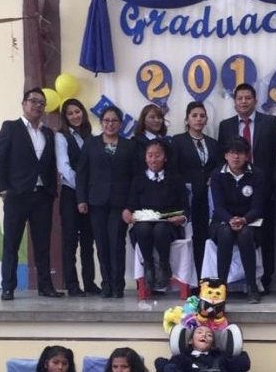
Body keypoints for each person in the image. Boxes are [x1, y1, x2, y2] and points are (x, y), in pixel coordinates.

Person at [0, 87, 62, 300]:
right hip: (16, 195)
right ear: (23, 104)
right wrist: (3, 189)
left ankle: (45, 287)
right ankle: (8, 287)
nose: (37, 106)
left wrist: (51, 191)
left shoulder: (48, 133)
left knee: (42, 244)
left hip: (42, 196)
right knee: (11, 243)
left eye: (41, 103)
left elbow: (50, 164)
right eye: (33, 101)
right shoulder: (10, 128)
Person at [218, 84, 276, 293]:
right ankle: (222, 286)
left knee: (267, 236)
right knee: (232, 233)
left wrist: (272, 186)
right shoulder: (225, 126)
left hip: (264, 189)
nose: (243, 101)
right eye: (240, 98)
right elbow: (222, 157)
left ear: (255, 100)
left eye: (248, 98)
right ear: (234, 102)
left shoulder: (270, 122)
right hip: (232, 190)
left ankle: (265, 280)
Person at [77, 106, 136, 298]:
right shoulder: (90, 144)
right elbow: (82, 173)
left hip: (120, 203)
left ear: (120, 124)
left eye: (114, 121)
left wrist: (131, 205)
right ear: (101, 123)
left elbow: (135, 178)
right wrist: (81, 199)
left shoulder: (129, 146)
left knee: (117, 243)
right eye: (106, 121)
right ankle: (106, 284)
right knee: (101, 244)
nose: (110, 124)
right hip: (97, 202)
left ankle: (118, 285)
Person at [125, 139, 188, 292]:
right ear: (145, 157)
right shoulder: (138, 179)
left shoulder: (175, 179)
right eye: (150, 155)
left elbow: (185, 207)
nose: (153, 159)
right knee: (143, 229)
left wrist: (181, 217)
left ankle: (164, 267)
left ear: (165, 157)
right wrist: (127, 212)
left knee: (160, 229)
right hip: (144, 223)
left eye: (158, 155)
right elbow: (131, 205)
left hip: (168, 225)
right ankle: (148, 266)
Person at [209, 136, 267, 302]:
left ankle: (252, 287)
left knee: (245, 234)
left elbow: (257, 207)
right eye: (232, 153)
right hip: (222, 221)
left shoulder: (257, 174)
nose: (236, 157)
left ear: (247, 156)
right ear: (225, 155)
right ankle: (220, 287)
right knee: (226, 234)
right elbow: (218, 207)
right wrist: (230, 220)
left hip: (250, 221)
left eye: (240, 153)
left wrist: (243, 220)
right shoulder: (217, 175)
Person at [55, 99, 99, 296]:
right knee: (70, 241)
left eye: (77, 111)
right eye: (70, 113)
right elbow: (64, 167)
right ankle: (72, 285)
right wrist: (83, 188)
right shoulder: (61, 137)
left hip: (89, 196)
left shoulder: (91, 137)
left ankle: (89, 282)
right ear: (65, 117)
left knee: (88, 242)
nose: (75, 116)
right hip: (70, 194)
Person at [171, 101, 220, 275]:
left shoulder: (213, 143)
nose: (198, 119)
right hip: (187, 197)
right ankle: (189, 279)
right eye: (194, 116)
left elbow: (219, 167)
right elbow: (173, 170)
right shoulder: (178, 141)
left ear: (206, 119)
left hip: (208, 199)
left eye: (202, 116)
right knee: (189, 237)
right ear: (187, 119)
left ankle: (204, 276)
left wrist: (212, 178)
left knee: (204, 237)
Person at [131, 103, 175, 175]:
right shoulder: (135, 143)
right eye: (152, 117)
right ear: (143, 120)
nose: (157, 120)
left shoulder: (166, 142)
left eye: (159, 117)